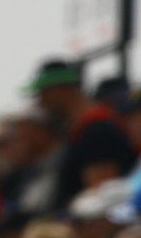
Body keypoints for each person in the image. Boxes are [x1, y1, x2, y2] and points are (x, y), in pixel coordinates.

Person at [28, 58, 137, 210]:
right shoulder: (78, 132)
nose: (39, 102)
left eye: (42, 93)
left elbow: (102, 195)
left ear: (60, 90)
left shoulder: (97, 130)